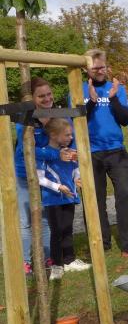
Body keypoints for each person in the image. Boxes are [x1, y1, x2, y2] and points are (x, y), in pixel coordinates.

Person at [83, 50, 128, 256]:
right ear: (86, 69)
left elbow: (124, 120)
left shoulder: (117, 88)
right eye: (95, 68)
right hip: (90, 152)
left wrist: (113, 98)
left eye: (102, 67)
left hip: (116, 151)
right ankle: (100, 243)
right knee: (94, 200)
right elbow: (76, 121)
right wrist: (91, 102)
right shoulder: (78, 90)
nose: (100, 71)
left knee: (125, 194)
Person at [15, 77, 60, 274]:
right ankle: (25, 262)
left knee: (43, 218)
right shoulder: (24, 119)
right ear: (31, 99)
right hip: (24, 175)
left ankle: (46, 258)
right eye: (41, 96)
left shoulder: (55, 117)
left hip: (44, 175)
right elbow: (29, 151)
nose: (47, 98)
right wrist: (53, 153)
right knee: (25, 220)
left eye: (49, 94)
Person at [37, 118, 91, 280]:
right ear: (54, 135)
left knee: (67, 229)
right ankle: (57, 265)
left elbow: (75, 169)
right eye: (67, 135)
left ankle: (69, 260)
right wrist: (58, 187)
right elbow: (39, 178)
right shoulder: (44, 153)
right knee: (57, 232)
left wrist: (77, 178)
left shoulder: (69, 152)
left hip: (69, 198)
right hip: (53, 199)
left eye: (71, 134)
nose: (70, 137)